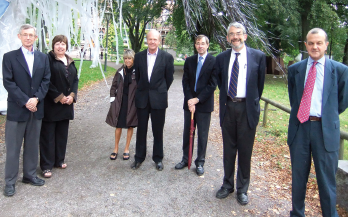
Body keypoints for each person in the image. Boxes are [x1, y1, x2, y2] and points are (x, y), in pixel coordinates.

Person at [287, 28, 348, 217]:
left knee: (326, 181)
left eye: (319, 43)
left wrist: (326, 116)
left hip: (325, 131)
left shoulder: (340, 70)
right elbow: (294, 99)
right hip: (300, 130)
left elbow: (342, 101)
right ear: (306, 45)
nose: (315, 46)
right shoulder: (295, 70)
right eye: (311, 43)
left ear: (326, 45)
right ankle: (297, 214)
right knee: (298, 178)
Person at [214, 22, 266, 205]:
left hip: (247, 109)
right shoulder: (221, 58)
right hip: (229, 107)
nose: (235, 37)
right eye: (231, 34)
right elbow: (221, 82)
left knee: (245, 151)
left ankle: (242, 189)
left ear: (245, 36)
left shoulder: (258, 57)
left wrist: (248, 102)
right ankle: (227, 185)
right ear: (227, 38)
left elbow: (259, 87)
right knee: (229, 150)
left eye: (238, 33)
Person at [2, 24, 51, 196]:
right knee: (13, 148)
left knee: (31, 145)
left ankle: (29, 175)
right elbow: (8, 82)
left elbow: (46, 80)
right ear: (19, 36)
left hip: (36, 109)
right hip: (17, 110)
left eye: (31, 35)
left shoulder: (43, 58)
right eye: (25, 35)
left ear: (36, 38)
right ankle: (9, 182)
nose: (28, 38)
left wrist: (36, 99)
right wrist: (25, 101)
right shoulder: (9, 57)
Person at [131, 29, 174, 171]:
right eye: (150, 39)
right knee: (141, 130)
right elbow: (137, 78)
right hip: (143, 98)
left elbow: (169, 78)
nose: (152, 42)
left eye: (155, 39)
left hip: (159, 99)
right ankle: (139, 157)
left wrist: (160, 90)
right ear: (146, 40)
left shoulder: (167, 57)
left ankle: (158, 158)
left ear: (159, 41)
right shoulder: (138, 57)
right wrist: (145, 90)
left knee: (158, 130)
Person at [175, 35, 217, 176]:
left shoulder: (213, 61)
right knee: (188, 132)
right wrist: (190, 100)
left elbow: (212, 85)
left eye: (203, 43)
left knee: (202, 135)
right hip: (189, 104)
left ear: (207, 45)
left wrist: (197, 100)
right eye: (198, 43)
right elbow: (185, 82)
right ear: (195, 45)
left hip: (204, 104)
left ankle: (200, 162)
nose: (200, 46)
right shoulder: (190, 61)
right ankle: (185, 158)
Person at [39, 35, 79, 178]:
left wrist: (72, 96)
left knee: (62, 134)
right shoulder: (47, 60)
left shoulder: (70, 61)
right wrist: (60, 97)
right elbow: (46, 82)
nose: (60, 46)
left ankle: (59, 160)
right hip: (51, 104)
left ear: (66, 46)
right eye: (58, 44)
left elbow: (75, 80)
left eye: (63, 44)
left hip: (66, 105)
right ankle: (46, 166)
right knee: (48, 136)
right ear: (53, 45)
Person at [106, 49, 137, 161]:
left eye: (129, 58)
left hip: (132, 102)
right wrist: (113, 99)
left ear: (133, 59)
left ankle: (126, 149)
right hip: (120, 101)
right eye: (125, 58)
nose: (127, 60)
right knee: (118, 125)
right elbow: (114, 86)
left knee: (130, 125)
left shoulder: (137, 71)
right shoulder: (120, 71)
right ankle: (115, 148)